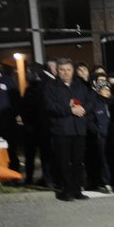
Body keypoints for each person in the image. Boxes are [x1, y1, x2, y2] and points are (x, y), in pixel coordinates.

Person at [42, 60, 89, 202]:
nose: (65, 72)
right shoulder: (51, 87)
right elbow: (50, 106)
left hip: (78, 128)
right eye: (62, 69)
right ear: (57, 71)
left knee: (78, 161)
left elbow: (89, 101)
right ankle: (66, 190)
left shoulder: (79, 85)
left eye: (68, 69)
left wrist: (83, 108)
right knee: (63, 162)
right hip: (62, 129)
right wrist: (69, 109)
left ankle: (77, 190)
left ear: (72, 70)